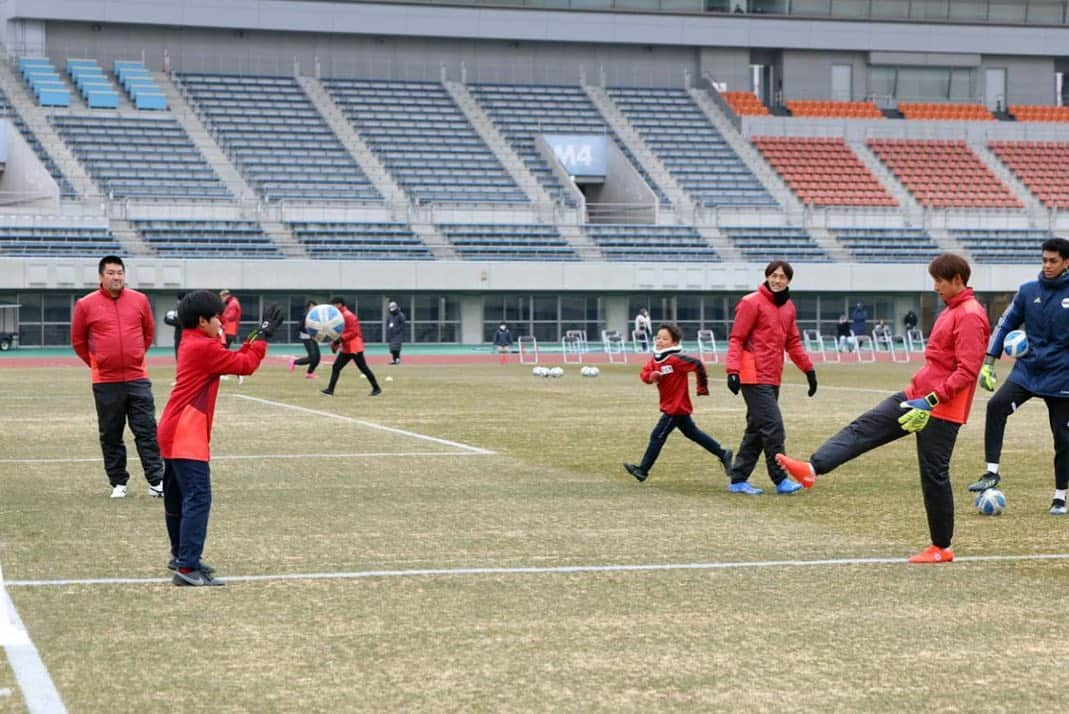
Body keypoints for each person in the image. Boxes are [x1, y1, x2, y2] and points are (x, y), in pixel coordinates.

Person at [776, 253, 990, 563]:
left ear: (957, 280)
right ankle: (812, 468)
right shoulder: (952, 310)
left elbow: (967, 370)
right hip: (917, 394)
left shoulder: (969, 314)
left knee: (934, 475)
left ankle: (941, 547)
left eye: (939, 281)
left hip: (939, 408)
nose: (935, 287)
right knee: (867, 426)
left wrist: (931, 401)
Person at [158, 291, 281, 586]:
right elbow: (245, 365)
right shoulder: (203, 347)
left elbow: (233, 354)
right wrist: (263, 338)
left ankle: (181, 556)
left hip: (173, 428)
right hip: (186, 432)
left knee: (178, 498)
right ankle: (187, 568)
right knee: (198, 498)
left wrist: (255, 335)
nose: (221, 321)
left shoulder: (194, 341)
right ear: (202, 322)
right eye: (217, 318)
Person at [968, 238, 1069, 516]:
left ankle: (1060, 496)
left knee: (1063, 437)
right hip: (1027, 370)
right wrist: (989, 361)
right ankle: (991, 473)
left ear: (1066, 263)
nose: (1047, 265)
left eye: (1053, 261)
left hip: (1062, 376)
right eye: (1044, 260)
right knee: (995, 406)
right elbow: (1005, 323)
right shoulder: (1027, 291)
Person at [71, 255, 165, 499]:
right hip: (106, 382)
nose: (116, 277)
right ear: (101, 276)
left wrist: (134, 358)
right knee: (111, 433)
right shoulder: (85, 304)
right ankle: (118, 482)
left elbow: (148, 333)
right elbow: (79, 341)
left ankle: (157, 481)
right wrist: (98, 363)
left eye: (120, 272)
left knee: (146, 431)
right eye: (111, 273)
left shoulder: (139, 300)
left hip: (137, 378)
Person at [724, 260, 817, 495]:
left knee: (756, 430)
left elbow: (793, 343)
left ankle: (738, 479)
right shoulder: (751, 302)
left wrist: (809, 370)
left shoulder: (788, 308)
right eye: (774, 275)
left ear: (788, 281)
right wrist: (732, 371)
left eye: (782, 277)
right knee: (773, 426)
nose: (777, 280)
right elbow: (736, 338)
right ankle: (780, 479)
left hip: (773, 376)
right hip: (752, 375)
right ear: (767, 277)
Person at [623, 323, 732, 483]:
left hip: (675, 407)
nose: (660, 341)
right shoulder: (656, 358)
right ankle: (722, 453)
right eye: (658, 337)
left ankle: (642, 470)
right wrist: (651, 376)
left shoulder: (676, 359)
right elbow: (644, 373)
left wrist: (702, 388)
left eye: (665, 338)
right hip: (672, 407)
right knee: (693, 433)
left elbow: (698, 365)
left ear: (674, 343)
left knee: (657, 436)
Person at [321, 297, 382, 397]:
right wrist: (336, 341)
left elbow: (354, 332)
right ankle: (330, 390)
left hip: (354, 346)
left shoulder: (348, 315)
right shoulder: (340, 315)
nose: (332, 307)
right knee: (336, 367)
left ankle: (377, 388)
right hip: (347, 346)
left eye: (333, 305)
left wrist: (339, 340)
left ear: (339, 304)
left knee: (363, 368)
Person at [289, 300, 321, 379]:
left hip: (313, 338)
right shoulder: (305, 315)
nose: (314, 308)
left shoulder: (316, 316)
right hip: (306, 338)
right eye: (312, 306)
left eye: (315, 306)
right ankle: (294, 361)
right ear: (309, 307)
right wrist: (309, 332)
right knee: (312, 357)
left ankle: (309, 373)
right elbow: (300, 327)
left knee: (317, 358)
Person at [219, 289, 243, 384]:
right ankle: (225, 373)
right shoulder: (233, 303)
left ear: (226, 296)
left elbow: (231, 317)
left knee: (223, 353)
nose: (221, 300)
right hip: (229, 330)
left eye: (221, 297)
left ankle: (234, 372)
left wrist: (221, 317)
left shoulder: (233, 304)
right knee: (223, 352)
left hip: (229, 331)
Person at [386, 300, 406, 365]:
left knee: (396, 347)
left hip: (398, 334)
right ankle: (394, 360)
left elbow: (403, 325)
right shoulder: (390, 316)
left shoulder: (401, 315)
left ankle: (397, 359)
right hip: (391, 334)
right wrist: (389, 329)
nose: (392, 310)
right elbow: (388, 323)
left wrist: (397, 330)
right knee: (392, 348)